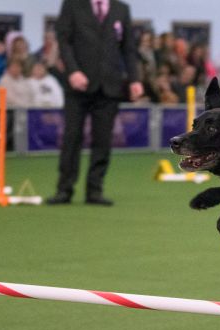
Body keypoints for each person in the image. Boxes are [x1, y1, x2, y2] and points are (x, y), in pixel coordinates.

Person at [47, 0, 143, 206]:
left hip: (109, 86)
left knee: (103, 140)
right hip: (77, 85)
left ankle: (95, 190)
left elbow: (128, 48)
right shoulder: (72, 5)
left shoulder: (121, 9)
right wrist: (72, 71)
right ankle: (64, 189)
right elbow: (64, 41)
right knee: (72, 138)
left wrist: (134, 79)